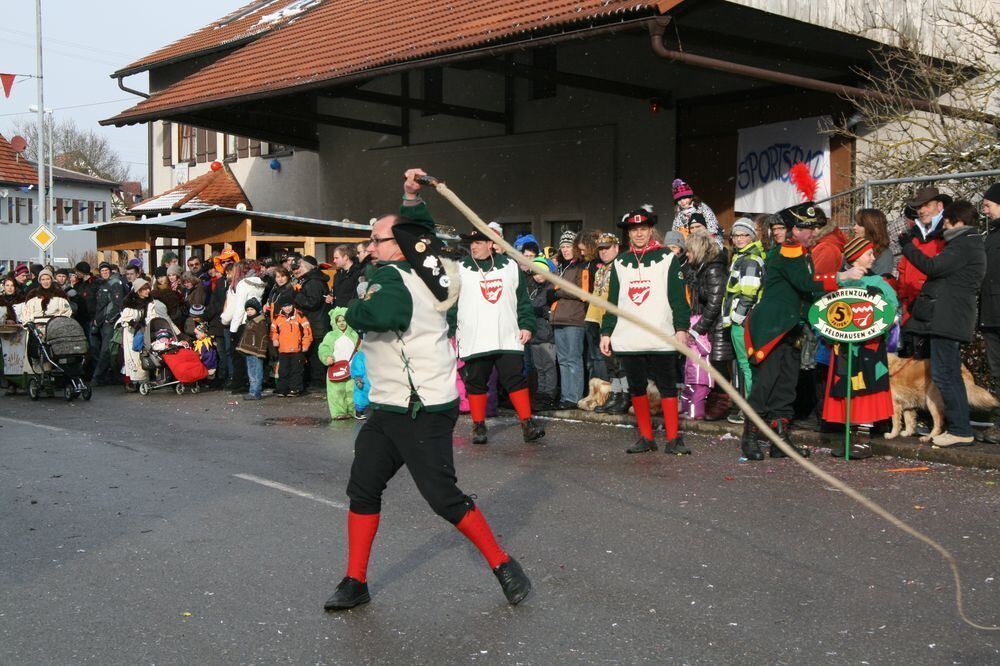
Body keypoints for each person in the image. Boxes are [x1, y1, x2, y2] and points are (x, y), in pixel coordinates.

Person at [323, 167, 530, 611]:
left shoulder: (393, 279)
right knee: (363, 487)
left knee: (443, 499)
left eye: (375, 240)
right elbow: (417, 233)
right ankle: (355, 580)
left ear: (396, 247)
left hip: (422, 407)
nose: (369, 246)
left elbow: (384, 316)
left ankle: (503, 562)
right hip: (389, 406)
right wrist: (411, 195)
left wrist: (352, 309)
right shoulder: (430, 269)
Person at [741, 202, 863, 461]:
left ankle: (779, 441)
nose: (813, 233)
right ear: (794, 230)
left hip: (791, 328)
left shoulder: (802, 252)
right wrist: (843, 277)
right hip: (771, 329)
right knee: (765, 386)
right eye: (808, 228)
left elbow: (808, 292)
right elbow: (806, 284)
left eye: (814, 228)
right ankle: (749, 438)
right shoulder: (789, 251)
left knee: (786, 388)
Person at [600, 205, 691, 455]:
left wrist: (681, 327)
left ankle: (673, 438)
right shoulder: (620, 262)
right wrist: (606, 331)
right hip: (629, 336)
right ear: (628, 234)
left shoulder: (667, 257)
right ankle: (646, 437)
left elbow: (678, 298)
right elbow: (613, 301)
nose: (639, 234)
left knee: (668, 386)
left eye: (643, 229)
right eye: (634, 230)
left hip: (661, 334)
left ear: (651, 230)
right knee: (637, 387)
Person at [899, 200, 986, 447]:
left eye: (947, 221)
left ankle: (960, 429)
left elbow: (933, 266)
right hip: (948, 318)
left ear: (959, 221)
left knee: (946, 374)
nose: (944, 226)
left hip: (949, 319)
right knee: (946, 374)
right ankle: (959, 428)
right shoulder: (965, 243)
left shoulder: (964, 244)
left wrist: (907, 247)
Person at [452, 226, 543, 445]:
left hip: (506, 334)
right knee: (476, 382)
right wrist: (449, 330)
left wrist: (527, 325)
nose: (474, 247)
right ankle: (478, 425)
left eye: (479, 242)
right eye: (471, 243)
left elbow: (522, 301)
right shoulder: (460, 268)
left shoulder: (510, 266)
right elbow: (451, 304)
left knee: (515, 379)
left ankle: (527, 423)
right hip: (474, 336)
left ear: (491, 244)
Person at [820, 236, 898, 459]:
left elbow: (891, 313)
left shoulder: (880, 284)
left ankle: (863, 440)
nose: (874, 257)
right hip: (844, 348)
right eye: (869, 254)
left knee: (866, 391)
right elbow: (825, 312)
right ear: (855, 257)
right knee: (846, 390)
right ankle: (849, 438)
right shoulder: (840, 281)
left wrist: (881, 321)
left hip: (869, 349)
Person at [896, 187, 951, 358]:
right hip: (912, 309)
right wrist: (904, 301)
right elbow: (903, 270)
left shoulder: (947, 234)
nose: (921, 210)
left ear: (940, 205)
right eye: (919, 207)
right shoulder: (913, 235)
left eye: (926, 205)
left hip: (936, 310)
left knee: (936, 368)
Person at [684, 230, 733, 421]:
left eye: (689, 251)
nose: (686, 254)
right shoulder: (700, 268)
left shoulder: (713, 269)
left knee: (718, 364)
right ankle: (712, 399)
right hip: (710, 324)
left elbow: (715, 302)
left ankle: (722, 402)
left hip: (718, 325)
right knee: (710, 364)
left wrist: (698, 328)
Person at [722, 217, 766, 423]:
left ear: (752, 236)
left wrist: (736, 318)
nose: (739, 239)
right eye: (736, 235)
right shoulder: (742, 256)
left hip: (743, 322)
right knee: (747, 365)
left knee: (746, 365)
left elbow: (748, 293)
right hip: (744, 321)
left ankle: (751, 410)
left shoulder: (749, 259)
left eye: (744, 235)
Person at [590, 232, 630, 414]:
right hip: (601, 320)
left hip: (618, 321)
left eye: (607, 248)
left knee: (620, 363)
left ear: (616, 247)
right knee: (610, 362)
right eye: (601, 249)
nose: (603, 252)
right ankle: (615, 394)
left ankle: (624, 396)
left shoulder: (621, 266)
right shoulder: (601, 269)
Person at [550, 229, 588, 408]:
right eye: (563, 246)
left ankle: (574, 397)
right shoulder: (560, 267)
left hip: (574, 318)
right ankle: (566, 396)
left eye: (568, 246)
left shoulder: (580, 266)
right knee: (563, 360)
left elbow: (582, 292)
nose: (565, 250)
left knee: (573, 359)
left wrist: (558, 291)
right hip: (558, 318)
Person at [221, 261, 266, 394]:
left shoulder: (242, 284)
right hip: (256, 321)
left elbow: (240, 309)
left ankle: (242, 384)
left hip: (242, 323)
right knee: (253, 356)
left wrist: (232, 329)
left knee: (239, 357)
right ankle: (252, 385)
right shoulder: (259, 283)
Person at [292, 255, 332, 391]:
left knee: (316, 354)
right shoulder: (310, 280)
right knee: (313, 353)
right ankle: (316, 381)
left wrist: (296, 295)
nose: (299, 268)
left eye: (301, 266)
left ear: (308, 267)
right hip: (315, 322)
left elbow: (312, 302)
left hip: (317, 323)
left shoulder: (313, 282)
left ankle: (319, 382)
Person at [525, 257, 558, 410]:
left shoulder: (551, 287)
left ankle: (549, 393)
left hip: (546, 333)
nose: (538, 276)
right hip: (534, 333)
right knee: (539, 366)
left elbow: (549, 309)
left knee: (549, 365)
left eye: (541, 272)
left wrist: (541, 311)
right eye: (535, 273)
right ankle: (541, 391)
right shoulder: (531, 287)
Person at [979, 183, 1000, 401]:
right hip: (990, 314)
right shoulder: (992, 235)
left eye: (988, 205)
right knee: (997, 371)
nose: (985, 210)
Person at [318, 307, 358, 419]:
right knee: (336, 391)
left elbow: (361, 349)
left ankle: (353, 410)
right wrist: (327, 357)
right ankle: (339, 412)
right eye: (338, 321)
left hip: (351, 369)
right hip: (335, 368)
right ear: (334, 322)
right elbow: (324, 347)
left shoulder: (354, 335)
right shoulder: (331, 336)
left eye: (344, 320)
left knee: (352, 391)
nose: (341, 323)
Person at [270, 293, 312, 396]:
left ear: (293, 305)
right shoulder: (277, 318)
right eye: (285, 306)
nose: (287, 308)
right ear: (281, 307)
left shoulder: (300, 316)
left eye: (289, 305)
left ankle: (295, 389)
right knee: (283, 371)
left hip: (297, 350)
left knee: (296, 371)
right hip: (283, 350)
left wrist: (305, 344)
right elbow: (273, 331)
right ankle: (282, 389)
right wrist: (275, 339)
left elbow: (307, 332)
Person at [116, 278, 153, 392]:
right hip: (130, 332)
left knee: (143, 355)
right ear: (138, 290)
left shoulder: (149, 301)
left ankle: (143, 380)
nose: (147, 291)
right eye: (144, 289)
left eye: (148, 288)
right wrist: (135, 325)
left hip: (143, 330)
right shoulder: (129, 302)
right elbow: (126, 318)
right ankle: (130, 380)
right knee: (131, 356)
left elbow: (151, 315)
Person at [92, 262, 126, 385]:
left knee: (106, 350)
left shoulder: (115, 283)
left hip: (109, 322)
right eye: (102, 271)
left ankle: (98, 377)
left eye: (107, 270)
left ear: (110, 271)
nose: (105, 272)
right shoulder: (103, 284)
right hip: (101, 322)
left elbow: (117, 304)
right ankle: (110, 376)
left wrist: (109, 319)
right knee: (102, 349)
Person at [236, 298, 270, 400]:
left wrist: (261, 351)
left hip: (256, 351)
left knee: (256, 372)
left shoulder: (259, 321)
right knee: (251, 372)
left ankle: (256, 392)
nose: (249, 311)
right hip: (249, 350)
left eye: (252, 309)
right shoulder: (250, 321)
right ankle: (252, 391)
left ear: (257, 310)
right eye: (248, 309)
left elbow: (263, 337)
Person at [852, 209, 894, 277]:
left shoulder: (884, 254)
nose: (854, 227)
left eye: (859, 225)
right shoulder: (854, 248)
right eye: (855, 224)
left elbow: (878, 283)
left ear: (871, 227)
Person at [350, 345, 370, 419]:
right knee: (361, 395)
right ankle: (359, 412)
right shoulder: (360, 355)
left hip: (374, 380)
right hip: (364, 380)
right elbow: (356, 366)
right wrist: (357, 377)